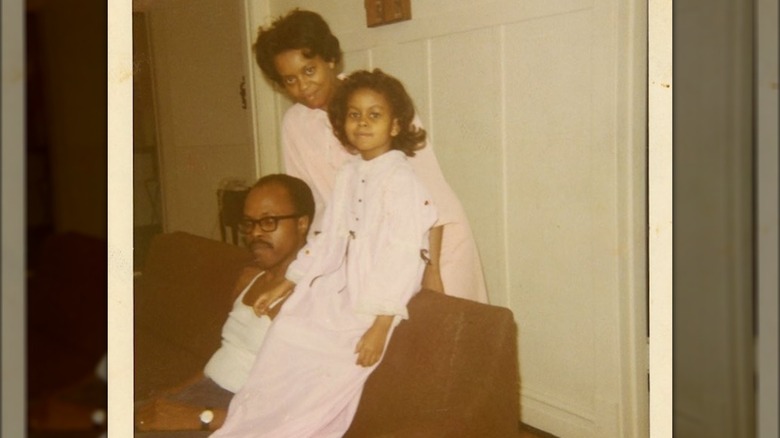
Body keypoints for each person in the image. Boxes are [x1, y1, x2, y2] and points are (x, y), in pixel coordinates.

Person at [212, 69, 437, 437]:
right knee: (286, 334)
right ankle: (248, 427)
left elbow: (402, 256)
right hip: (338, 284)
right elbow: (329, 237)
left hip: (376, 299)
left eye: (374, 115)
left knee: (320, 378)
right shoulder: (350, 173)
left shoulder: (402, 181)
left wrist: (381, 326)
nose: (362, 123)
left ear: (395, 125)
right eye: (354, 114)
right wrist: (288, 283)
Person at [253, 8, 489, 303]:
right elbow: (310, 207)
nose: (302, 87)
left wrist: (432, 269)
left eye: (309, 70)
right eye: (289, 80)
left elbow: (430, 191)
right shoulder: (295, 125)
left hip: (434, 245)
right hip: (367, 256)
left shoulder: (378, 100)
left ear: (329, 59)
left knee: (445, 339)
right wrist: (298, 271)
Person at [134, 174, 315, 432]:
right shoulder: (252, 279)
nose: (254, 234)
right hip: (205, 394)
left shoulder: (309, 297)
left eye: (268, 221)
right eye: (249, 223)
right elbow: (227, 355)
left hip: (238, 415)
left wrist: (198, 417)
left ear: (302, 223)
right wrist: (172, 393)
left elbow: (294, 407)